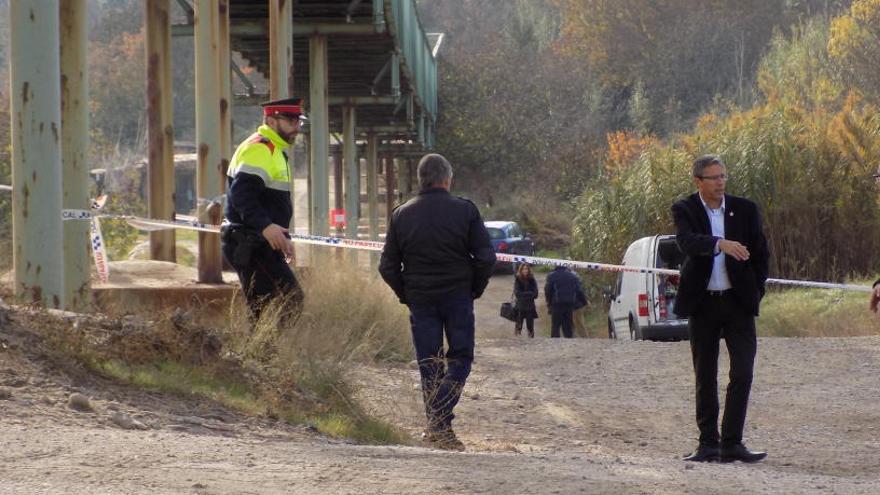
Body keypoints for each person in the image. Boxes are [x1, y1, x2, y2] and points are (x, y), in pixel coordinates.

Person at [378, 153, 496, 451]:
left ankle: (437, 425)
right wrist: (474, 288)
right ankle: (439, 424)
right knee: (460, 359)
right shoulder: (465, 211)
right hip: (457, 297)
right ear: (447, 179)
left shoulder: (401, 214)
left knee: (429, 363)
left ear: (421, 179)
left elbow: (387, 266)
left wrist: (406, 293)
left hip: (421, 300)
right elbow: (485, 257)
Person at [672, 155, 769, 464]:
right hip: (703, 303)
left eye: (723, 176)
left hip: (737, 303)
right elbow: (687, 242)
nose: (720, 182)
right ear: (698, 181)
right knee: (705, 374)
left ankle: (732, 443)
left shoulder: (745, 208)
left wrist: (756, 290)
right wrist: (719, 244)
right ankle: (707, 444)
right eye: (713, 177)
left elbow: (761, 253)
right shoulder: (685, 209)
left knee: (743, 371)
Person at [221, 97, 305, 324]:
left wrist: (283, 238)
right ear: (271, 119)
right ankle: (260, 355)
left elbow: (271, 204)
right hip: (251, 242)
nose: (296, 127)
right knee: (283, 302)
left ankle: (259, 355)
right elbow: (242, 195)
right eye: (290, 120)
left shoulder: (275, 150)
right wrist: (266, 227)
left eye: (299, 121)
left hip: (261, 242)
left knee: (269, 307)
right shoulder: (261, 148)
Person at [544, 264, 586, 338]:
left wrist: (549, 302)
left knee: (555, 326)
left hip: (556, 304)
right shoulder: (573, 276)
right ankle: (568, 343)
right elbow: (579, 290)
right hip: (569, 304)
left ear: (555, 267)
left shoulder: (552, 276)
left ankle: (555, 343)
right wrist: (584, 301)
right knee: (567, 325)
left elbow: (548, 290)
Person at [513, 263, 539, 338]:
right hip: (520, 306)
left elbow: (536, 294)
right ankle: (517, 340)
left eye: (526, 269)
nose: (525, 271)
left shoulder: (532, 279)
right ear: (521, 270)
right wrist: (529, 294)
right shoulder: (518, 279)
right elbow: (517, 293)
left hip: (530, 307)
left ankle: (531, 341)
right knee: (518, 326)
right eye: (523, 269)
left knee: (530, 327)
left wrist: (524, 294)